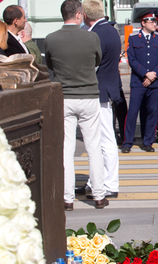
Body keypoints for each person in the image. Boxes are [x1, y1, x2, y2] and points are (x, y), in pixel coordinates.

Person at [45, 0, 108, 210]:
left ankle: (67, 198)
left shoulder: (51, 39)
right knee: (94, 148)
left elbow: (51, 65)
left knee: (66, 149)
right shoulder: (91, 37)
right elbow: (96, 61)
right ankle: (99, 195)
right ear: (80, 14)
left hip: (64, 97)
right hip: (89, 95)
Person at [82, 0, 121, 199]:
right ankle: (95, 181)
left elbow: (92, 65)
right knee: (100, 139)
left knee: (104, 139)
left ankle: (109, 183)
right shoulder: (111, 30)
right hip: (106, 88)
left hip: (98, 90)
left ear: (85, 15)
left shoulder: (95, 34)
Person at [121, 10, 158, 153]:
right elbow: (132, 60)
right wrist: (145, 74)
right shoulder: (134, 38)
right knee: (133, 112)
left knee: (152, 112)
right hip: (138, 81)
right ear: (143, 23)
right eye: (152, 21)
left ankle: (148, 141)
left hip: (155, 81)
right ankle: (127, 142)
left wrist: (153, 75)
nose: (155, 24)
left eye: (156, 21)